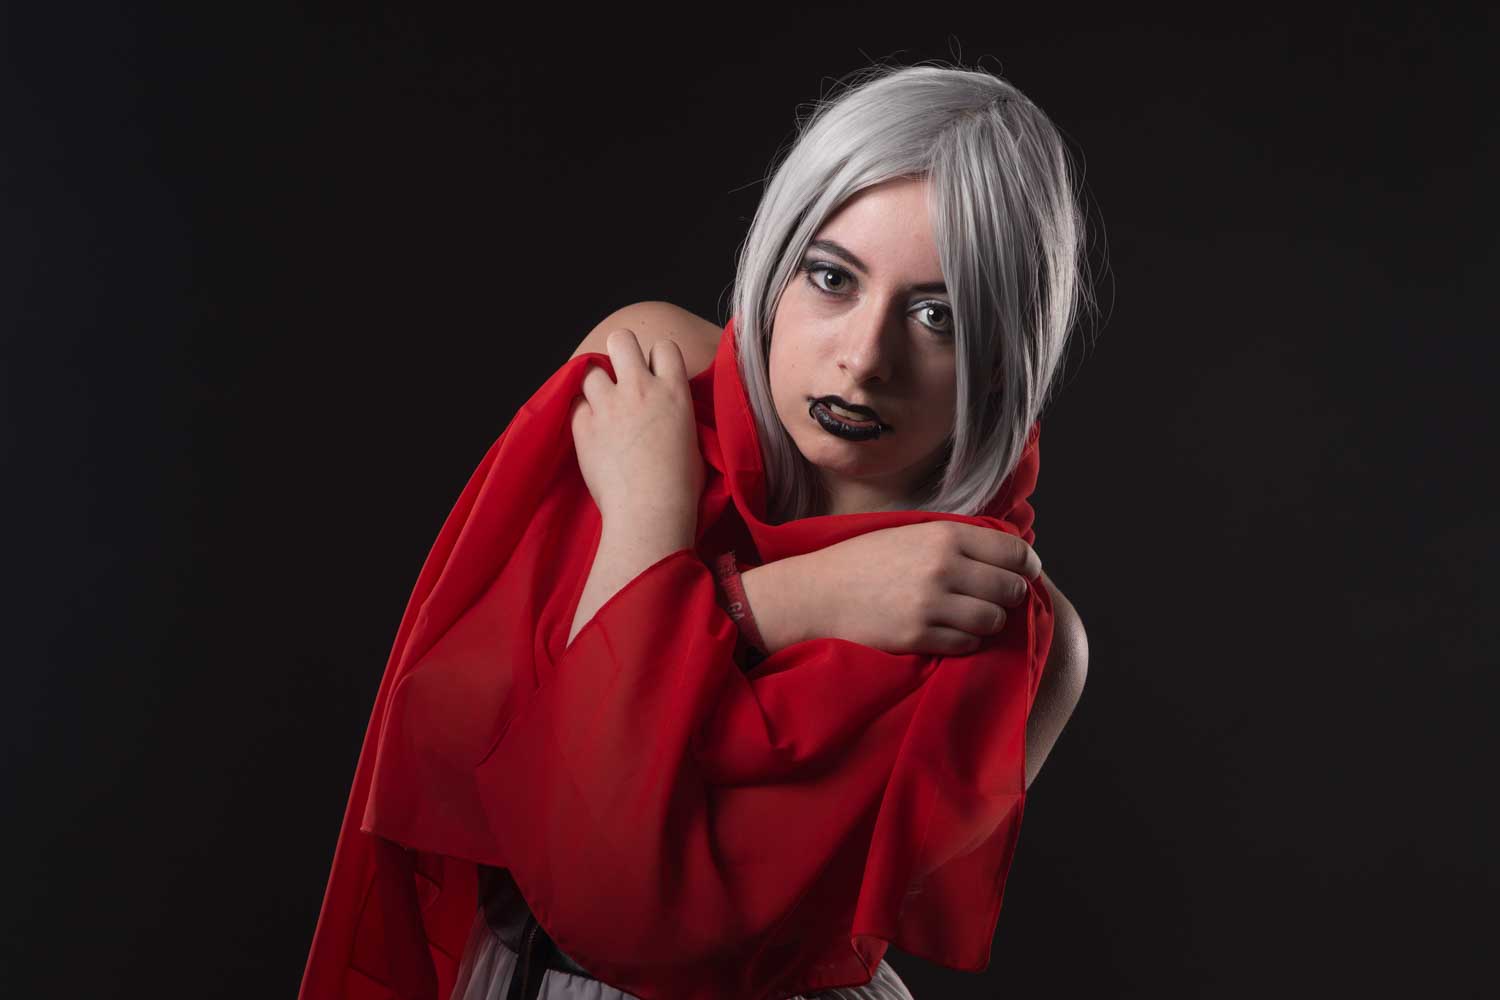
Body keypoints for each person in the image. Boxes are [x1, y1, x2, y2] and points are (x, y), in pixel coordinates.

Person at [444, 59, 1094, 1000]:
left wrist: (655, 531)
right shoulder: (654, 378)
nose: (864, 359)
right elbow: (531, 803)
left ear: (1005, 362)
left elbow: (618, 894)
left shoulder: (1018, 638)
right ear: (777, 264)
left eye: (938, 317)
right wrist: (791, 600)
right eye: (831, 277)